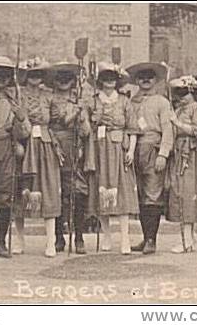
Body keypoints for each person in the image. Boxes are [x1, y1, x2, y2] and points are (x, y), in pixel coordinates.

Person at [12, 57, 63, 257]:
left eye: (38, 74)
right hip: (24, 146)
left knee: (48, 189)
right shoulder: (17, 95)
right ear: (25, 76)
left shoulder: (49, 96)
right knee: (22, 190)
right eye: (32, 74)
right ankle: (19, 240)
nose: (35, 78)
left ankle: (50, 242)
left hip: (45, 146)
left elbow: (57, 121)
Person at [88, 62, 139, 254]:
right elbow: (86, 128)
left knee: (122, 192)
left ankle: (125, 238)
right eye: (105, 77)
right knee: (102, 189)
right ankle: (106, 235)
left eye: (112, 78)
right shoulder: (93, 101)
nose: (109, 81)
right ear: (100, 80)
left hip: (119, 149)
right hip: (99, 149)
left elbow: (132, 128)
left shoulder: (124, 101)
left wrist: (131, 151)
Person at [0, 56, 29, 258]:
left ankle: (1, 242)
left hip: (6, 150)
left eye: (6, 75)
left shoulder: (15, 99)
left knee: (5, 195)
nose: (1, 79)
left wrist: (20, 117)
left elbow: (25, 132)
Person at [126, 62, 173, 254]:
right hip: (133, 149)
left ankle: (152, 240)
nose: (145, 80)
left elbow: (168, 129)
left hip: (153, 148)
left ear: (155, 80)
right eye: (141, 77)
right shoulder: (131, 101)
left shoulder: (162, 102)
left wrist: (163, 153)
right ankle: (145, 237)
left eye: (149, 77)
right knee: (140, 195)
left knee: (153, 194)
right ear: (136, 81)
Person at [48, 62, 91, 255]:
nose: (64, 82)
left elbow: (86, 131)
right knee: (58, 192)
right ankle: (59, 236)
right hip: (55, 146)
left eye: (68, 79)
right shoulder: (51, 100)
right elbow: (58, 122)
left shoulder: (79, 101)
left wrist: (82, 115)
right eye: (60, 79)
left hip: (76, 149)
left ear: (74, 81)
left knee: (78, 193)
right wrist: (74, 111)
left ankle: (79, 236)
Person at [167, 75, 197, 253]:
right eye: (179, 93)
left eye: (185, 93)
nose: (182, 97)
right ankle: (186, 237)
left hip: (192, 153)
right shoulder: (177, 110)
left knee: (189, 192)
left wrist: (177, 123)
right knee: (179, 192)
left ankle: (189, 239)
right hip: (178, 152)